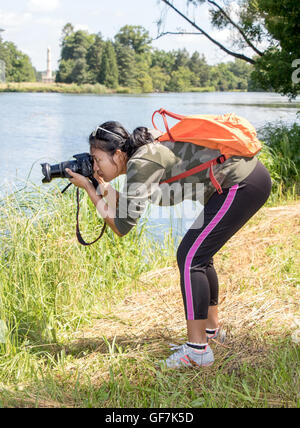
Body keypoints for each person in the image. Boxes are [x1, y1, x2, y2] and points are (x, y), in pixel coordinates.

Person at [66, 119, 272, 369]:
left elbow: (121, 226)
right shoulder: (140, 158)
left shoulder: (141, 163)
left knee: (190, 257)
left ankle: (197, 351)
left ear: (118, 154)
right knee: (199, 256)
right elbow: (129, 207)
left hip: (242, 184)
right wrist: (101, 187)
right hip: (243, 181)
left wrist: (89, 187)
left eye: (97, 159)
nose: (95, 166)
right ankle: (211, 332)